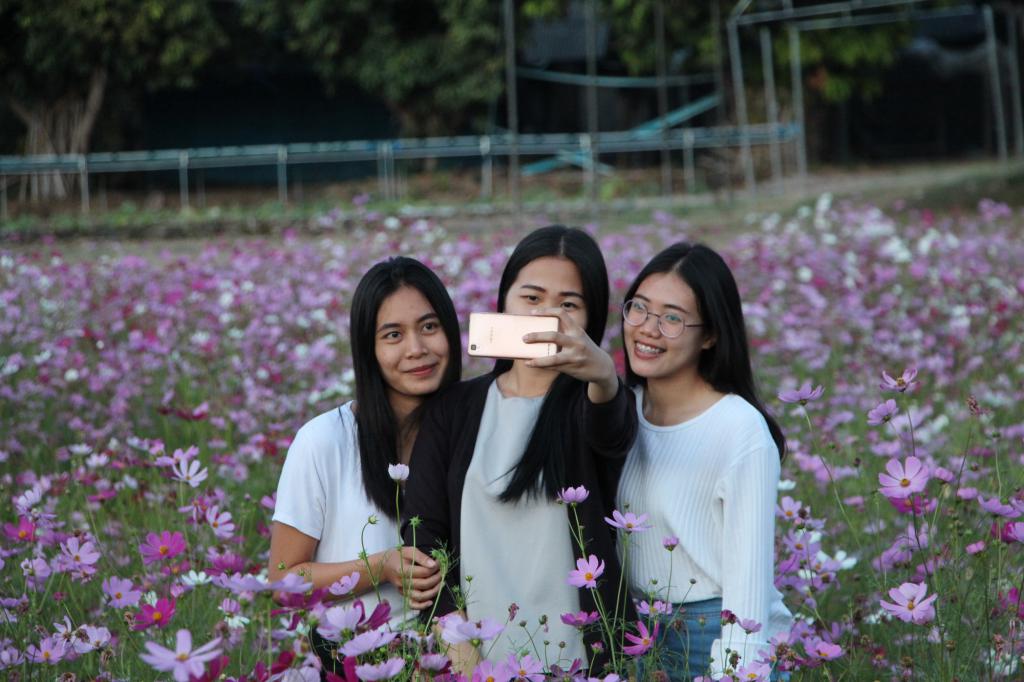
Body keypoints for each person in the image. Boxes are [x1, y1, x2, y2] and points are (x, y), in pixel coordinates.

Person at [403, 225, 638, 673]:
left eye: (568, 304)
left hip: (579, 661)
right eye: (531, 297)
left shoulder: (596, 403)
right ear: (503, 302)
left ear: (591, 320)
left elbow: (613, 432)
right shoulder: (454, 409)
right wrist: (462, 651)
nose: (546, 315)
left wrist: (605, 375)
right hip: (475, 658)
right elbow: (424, 537)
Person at [268, 257, 462, 671]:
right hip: (350, 667)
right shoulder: (323, 441)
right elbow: (284, 583)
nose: (417, 348)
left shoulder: (476, 433)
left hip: (461, 665)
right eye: (393, 335)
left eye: (429, 326)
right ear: (367, 350)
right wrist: (379, 568)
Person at [616, 242, 793, 680]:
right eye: (639, 308)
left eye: (672, 318)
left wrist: (736, 670)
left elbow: (748, 589)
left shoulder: (739, 429)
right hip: (632, 629)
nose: (648, 329)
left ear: (710, 335)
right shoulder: (618, 411)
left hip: (712, 635)